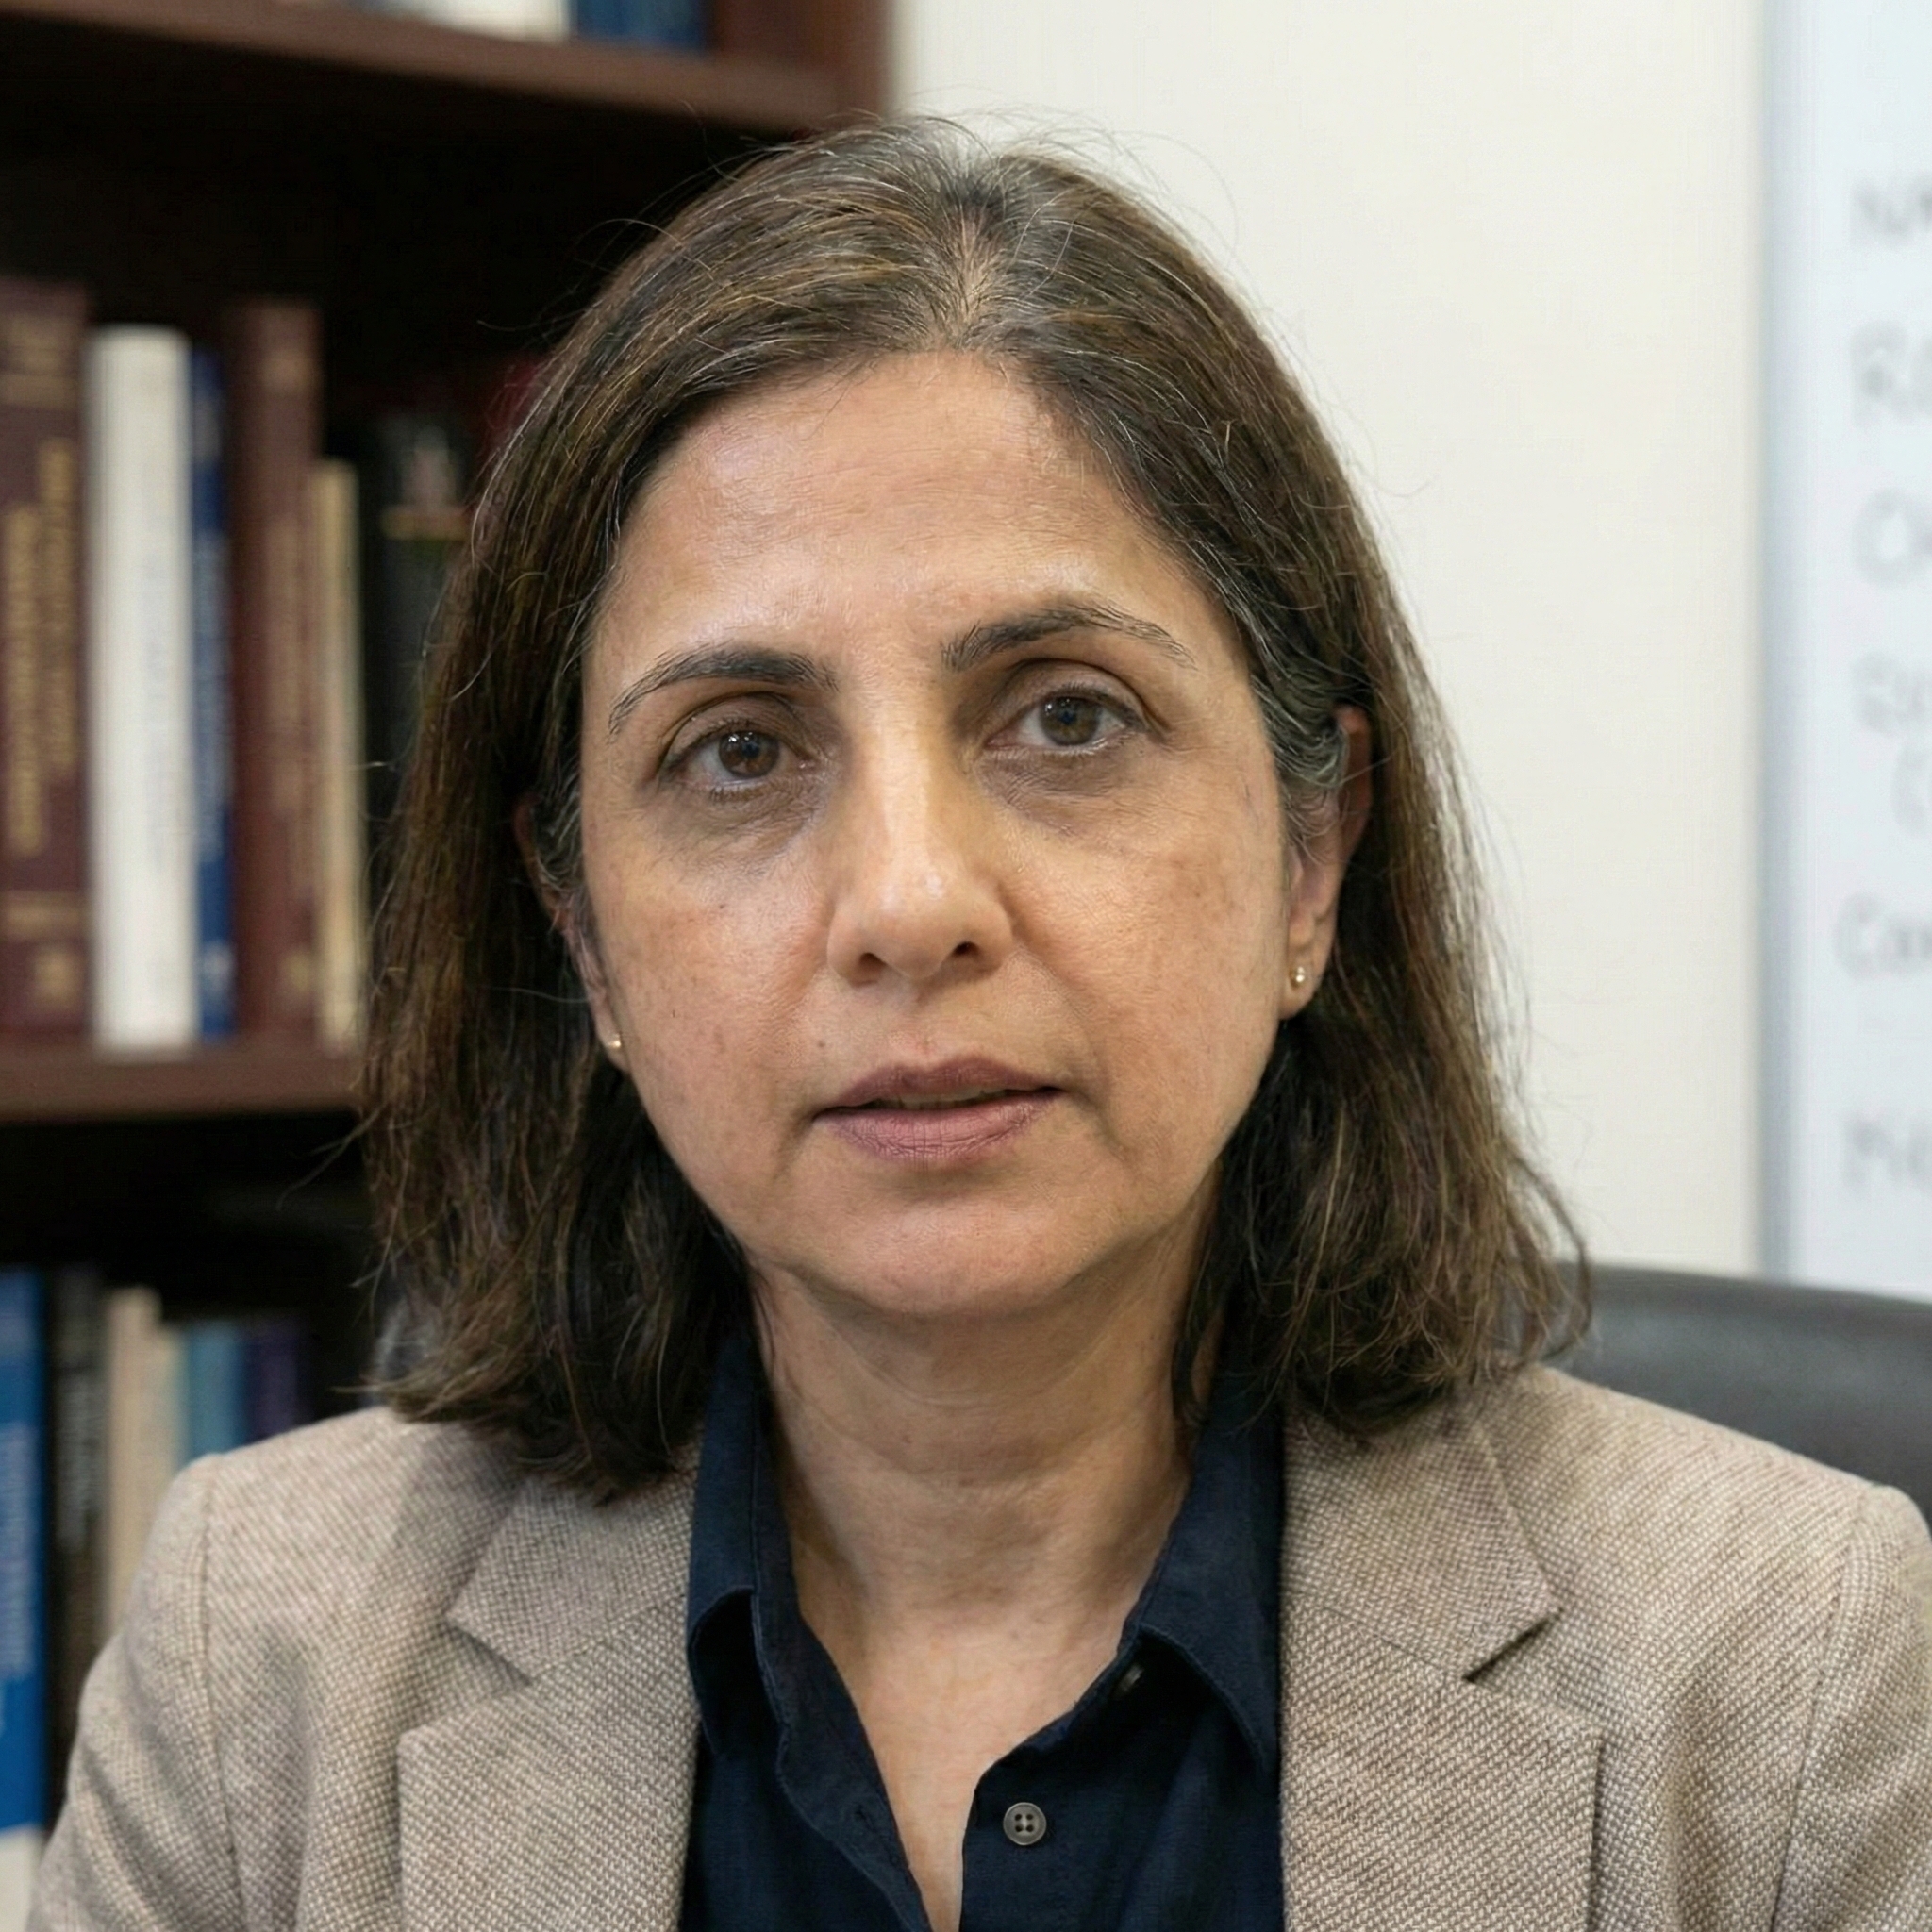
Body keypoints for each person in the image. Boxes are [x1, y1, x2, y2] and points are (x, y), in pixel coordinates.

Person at [32, 122, 1932, 1932]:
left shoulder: (1775, 1681)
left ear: (1311, 855)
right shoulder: (263, 1658)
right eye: (739, 752)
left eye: (1065, 717)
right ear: (580, 929)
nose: (908, 899)